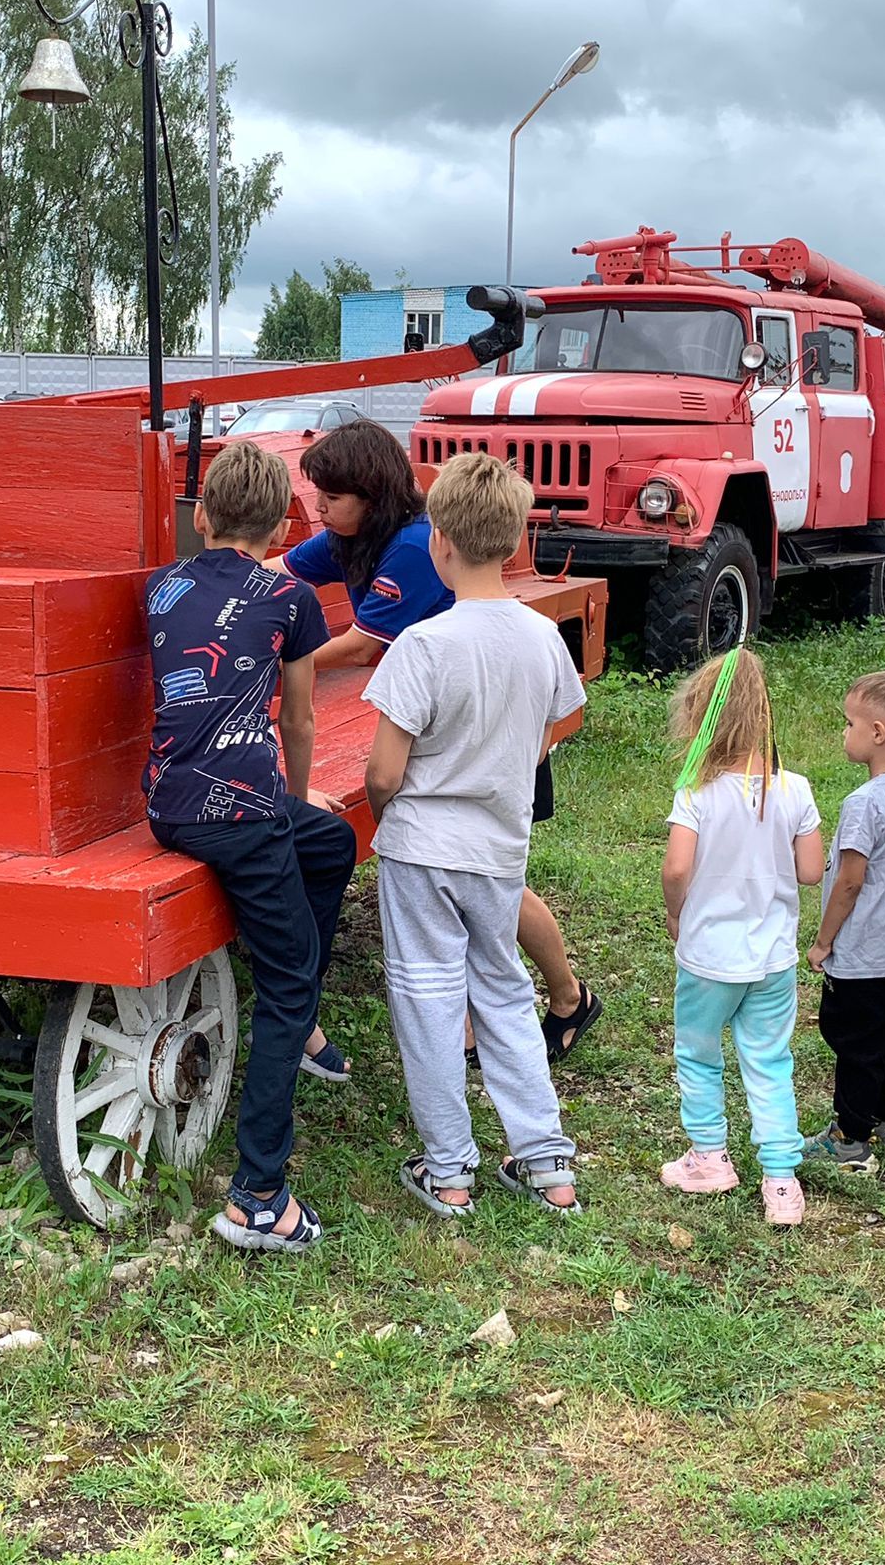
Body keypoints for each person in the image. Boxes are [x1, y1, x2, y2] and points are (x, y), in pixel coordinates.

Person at [267, 418, 601, 1062]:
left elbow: (365, 645)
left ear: (368, 494)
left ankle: (567, 997)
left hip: (474, 738)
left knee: (496, 888)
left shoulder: (415, 549)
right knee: (479, 885)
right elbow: (279, 567)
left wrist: (283, 664)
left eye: (329, 498)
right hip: (442, 728)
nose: (317, 509)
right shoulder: (348, 535)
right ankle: (483, 1026)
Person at [143, 441, 358, 1252]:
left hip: (170, 804)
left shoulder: (163, 585)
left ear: (202, 520)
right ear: (279, 527)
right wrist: (291, 794)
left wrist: (299, 813)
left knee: (332, 843)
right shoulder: (289, 595)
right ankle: (259, 1196)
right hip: (244, 811)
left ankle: (297, 1008)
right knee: (290, 971)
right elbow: (298, 718)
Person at [363, 452, 586, 1217]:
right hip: (498, 851)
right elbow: (554, 725)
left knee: (427, 999)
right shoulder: (541, 637)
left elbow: (386, 771)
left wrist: (380, 810)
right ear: (517, 540)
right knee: (503, 990)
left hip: (423, 849)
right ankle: (548, 1161)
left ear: (440, 544)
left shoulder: (422, 647)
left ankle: (449, 1168)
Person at [660, 648, 824, 1226]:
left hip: (708, 958)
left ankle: (710, 1158)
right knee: (770, 1060)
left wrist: (676, 913)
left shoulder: (696, 793)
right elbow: (810, 871)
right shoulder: (795, 789)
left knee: (699, 1056)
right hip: (773, 959)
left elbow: (677, 869)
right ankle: (781, 1181)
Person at [803, 670, 885, 1174]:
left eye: (849, 722)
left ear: (877, 732)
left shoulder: (862, 804)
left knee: (855, 1047)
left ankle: (850, 1137)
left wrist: (822, 941)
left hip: (862, 958)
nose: (843, 732)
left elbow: (849, 883)